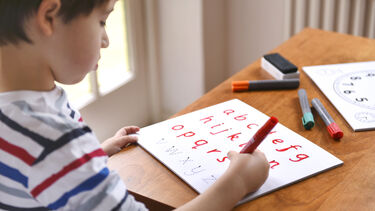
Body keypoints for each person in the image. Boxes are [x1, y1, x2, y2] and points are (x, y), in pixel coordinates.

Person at [0, 0, 270, 210]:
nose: (105, 41)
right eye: (102, 21)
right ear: (49, 17)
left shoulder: (26, 109)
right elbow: (51, 155)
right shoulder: (54, 141)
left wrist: (91, 156)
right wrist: (236, 182)